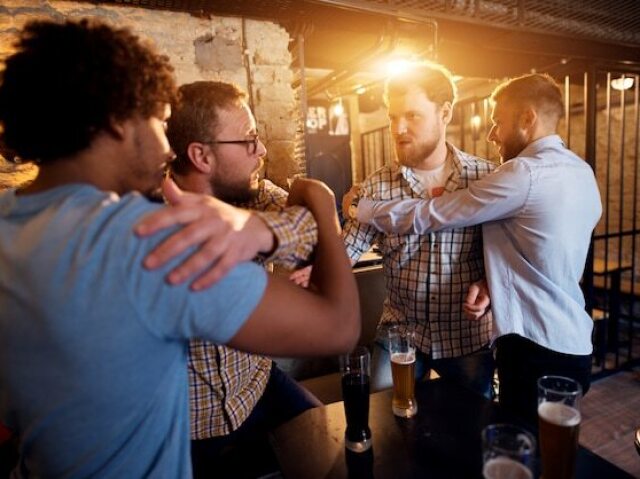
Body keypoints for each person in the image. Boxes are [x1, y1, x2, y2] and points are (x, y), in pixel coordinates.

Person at [0, 19, 359, 477]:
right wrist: (322, 200)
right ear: (117, 121)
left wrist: (265, 231)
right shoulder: (148, 240)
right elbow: (340, 327)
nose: (167, 148)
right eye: (160, 123)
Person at [355, 73, 602, 424]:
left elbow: (436, 212)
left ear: (528, 119)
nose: (491, 135)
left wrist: (360, 208)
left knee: (519, 444)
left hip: (532, 345)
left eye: (497, 122)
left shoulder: (522, 174)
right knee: (544, 444)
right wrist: (490, 285)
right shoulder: (582, 172)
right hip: (575, 343)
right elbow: (545, 255)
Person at [166, 80, 321, 477]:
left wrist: (305, 248)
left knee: (332, 448)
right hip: (185, 421)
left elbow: (317, 223)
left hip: (256, 384)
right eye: (249, 139)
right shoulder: (145, 225)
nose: (262, 151)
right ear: (201, 155)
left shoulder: (256, 195)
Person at [341, 62, 496, 398]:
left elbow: (509, 255)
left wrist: (489, 285)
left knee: (471, 431)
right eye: (392, 116)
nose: (398, 128)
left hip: (466, 334)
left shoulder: (486, 178)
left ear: (445, 112)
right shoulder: (377, 185)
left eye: (412, 115)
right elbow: (343, 255)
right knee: (384, 423)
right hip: (399, 332)